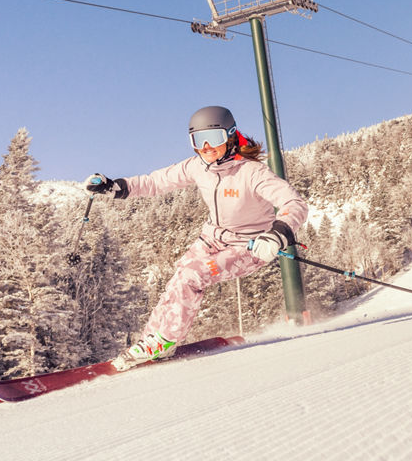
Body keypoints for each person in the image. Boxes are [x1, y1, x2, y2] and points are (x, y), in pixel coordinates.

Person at [83, 106, 308, 371]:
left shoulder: (252, 173)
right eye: (197, 140)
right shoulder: (197, 167)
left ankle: (165, 341)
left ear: (231, 136)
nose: (205, 147)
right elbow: (155, 181)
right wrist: (114, 186)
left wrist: (277, 234)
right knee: (179, 276)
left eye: (213, 139)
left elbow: (294, 203)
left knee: (193, 275)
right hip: (211, 238)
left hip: (249, 247)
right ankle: (153, 340)